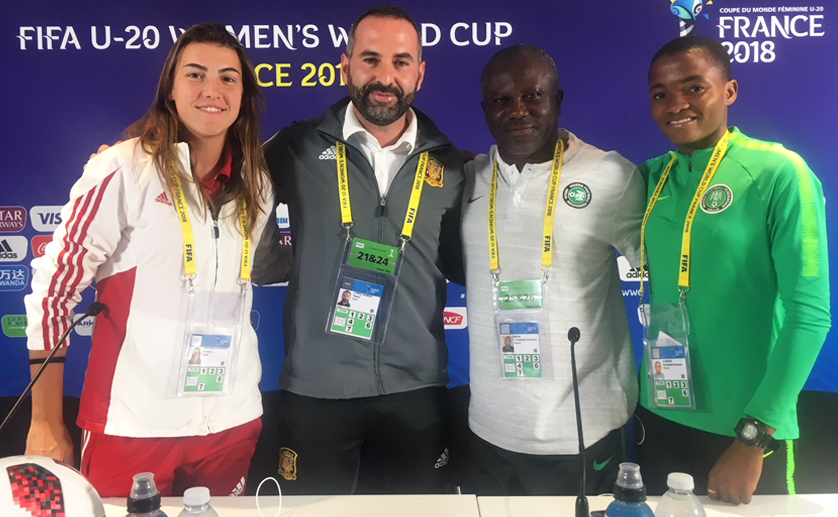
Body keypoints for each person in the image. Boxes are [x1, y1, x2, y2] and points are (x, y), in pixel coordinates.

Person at [24, 22, 277, 498]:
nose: (212, 90)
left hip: (229, 421)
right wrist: (45, 420)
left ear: (243, 94)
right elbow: (54, 291)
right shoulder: (123, 168)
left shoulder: (257, 186)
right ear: (171, 89)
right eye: (196, 74)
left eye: (228, 78)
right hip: (133, 423)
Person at [255, 6, 464, 494]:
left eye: (400, 61)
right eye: (370, 60)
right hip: (316, 390)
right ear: (345, 64)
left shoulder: (451, 163)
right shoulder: (297, 146)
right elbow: (218, 173)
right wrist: (145, 142)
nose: (385, 77)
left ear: (420, 72)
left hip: (417, 389)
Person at [636, 35, 830, 505]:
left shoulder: (781, 173)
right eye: (660, 94)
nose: (675, 104)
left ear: (730, 91)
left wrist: (755, 435)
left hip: (743, 430)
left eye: (693, 88)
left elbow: (810, 314)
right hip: (658, 416)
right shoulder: (648, 177)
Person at [460, 44, 644, 495]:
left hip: (586, 432)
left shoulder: (612, 177)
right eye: (503, 100)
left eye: (533, 95)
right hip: (489, 431)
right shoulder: (466, 180)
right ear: (485, 110)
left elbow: (672, 271)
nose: (518, 110)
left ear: (557, 100)